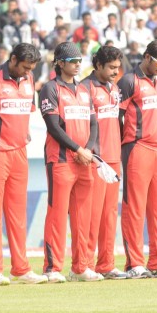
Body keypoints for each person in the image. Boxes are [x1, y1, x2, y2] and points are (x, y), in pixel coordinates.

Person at [0, 43, 48, 285]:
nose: (27, 71)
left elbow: (26, 111)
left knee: (18, 213)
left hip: (19, 153)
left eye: (31, 68)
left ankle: (21, 268)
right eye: (24, 67)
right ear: (13, 59)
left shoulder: (28, 79)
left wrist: (23, 133)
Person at [39, 42, 103, 283]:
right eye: (73, 61)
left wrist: (87, 149)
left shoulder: (84, 90)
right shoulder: (50, 89)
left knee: (82, 216)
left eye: (79, 61)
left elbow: (94, 123)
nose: (78, 65)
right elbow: (53, 127)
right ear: (60, 63)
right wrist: (76, 148)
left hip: (84, 161)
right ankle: (52, 268)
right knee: (57, 214)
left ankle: (81, 267)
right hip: (61, 160)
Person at [117, 39, 157, 279]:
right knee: (135, 208)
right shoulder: (129, 81)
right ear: (146, 57)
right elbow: (116, 118)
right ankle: (135, 263)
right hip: (137, 147)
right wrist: (125, 145)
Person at [79, 46, 127, 280]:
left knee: (109, 214)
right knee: (92, 214)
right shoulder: (85, 88)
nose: (115, 72)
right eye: (111, 68)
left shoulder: (115, 88)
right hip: (95, 160)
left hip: (114, 157)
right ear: (97, 65)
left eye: (117, 68)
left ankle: (106, 264)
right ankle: (85, 264)